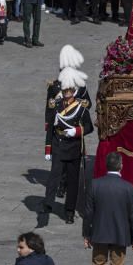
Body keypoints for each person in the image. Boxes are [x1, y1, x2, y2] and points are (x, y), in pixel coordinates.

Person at [42, 46, 93, 224]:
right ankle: (49, 202)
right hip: (58, 140)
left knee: (73, 179)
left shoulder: (80, 90)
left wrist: (77, 130)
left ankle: (69, 210)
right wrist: (47, 145)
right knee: (55, 173)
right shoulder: (54, 88)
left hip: (73, 143)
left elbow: (88, 110)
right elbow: (49, 111)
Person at [83, 152, 133, 265]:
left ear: (106, 165)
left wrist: (86, 234)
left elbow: (88, 213)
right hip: (120, 234)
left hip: (99, 233)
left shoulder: (95, 184)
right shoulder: (128, 188)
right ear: (121, 166)